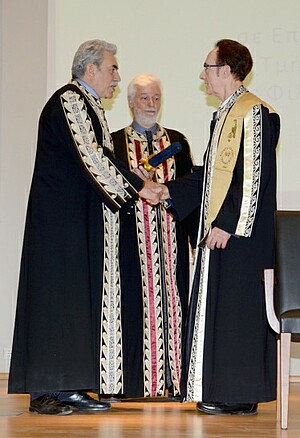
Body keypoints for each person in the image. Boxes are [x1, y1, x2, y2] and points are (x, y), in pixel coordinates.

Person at [8, 39, 161, 415]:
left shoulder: (87, 104)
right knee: (59, 305)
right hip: (59, 226)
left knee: (70, 304)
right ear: (90, 69)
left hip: (73, 223)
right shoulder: (71, 100)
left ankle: (68, 386)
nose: (117, 77)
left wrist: (131, 178)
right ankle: (52, 390)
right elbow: (92, 158)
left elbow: (101, 158)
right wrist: (139, 187)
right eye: (112, 68)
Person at [153, 39, 280, 415]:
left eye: (206, 68)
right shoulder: (225, 114)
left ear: (225, 70)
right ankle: (225, 390)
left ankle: (240, 395)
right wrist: (168, 191)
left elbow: (254, 177)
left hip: (242, 238)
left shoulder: (254, 112)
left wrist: (227, 224)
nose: (202, 75)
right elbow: (211, 177)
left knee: (239, 313)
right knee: (225, 313)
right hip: (225, 235)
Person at [108, 74, 199, 400]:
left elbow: (192, 192)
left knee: (174, 307)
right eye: (144, 98)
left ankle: (175, 381)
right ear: (131, 102)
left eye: (156, 98)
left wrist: (192, 240)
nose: (151, 105)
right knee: (130, 310)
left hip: (171, 243)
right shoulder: (116, 142)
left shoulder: (177, 142)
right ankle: (131, 384)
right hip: (130, 246)